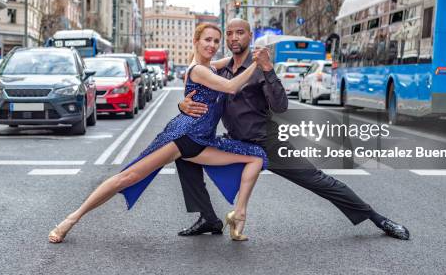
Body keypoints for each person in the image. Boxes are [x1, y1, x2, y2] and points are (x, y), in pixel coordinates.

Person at [176, 19, 410, 240]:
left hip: (267, 143)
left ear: (250, 36)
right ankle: (208, 218)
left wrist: (268, 70)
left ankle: (379, 220)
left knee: (318, 181)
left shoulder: (259, 68)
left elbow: (280, 106)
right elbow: (196, 79)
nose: (234, 38)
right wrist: (182, 103)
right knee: (185, 153)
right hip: (236, 142)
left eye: (240, 33)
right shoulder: (222, 69)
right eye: (229, 34)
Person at [48, 23, 268, 244]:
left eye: (216, 41)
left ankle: (238, 214)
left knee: (256, 156)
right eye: (207, 40)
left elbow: (233, 61)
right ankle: (71, 219)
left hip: (202, 142)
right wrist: (257, 64)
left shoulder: (210, 68)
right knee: (126, 177)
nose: (212, 45)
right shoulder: (198, 70)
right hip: (182, 137)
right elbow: (231, 86)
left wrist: (250, 53)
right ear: (196, 41)